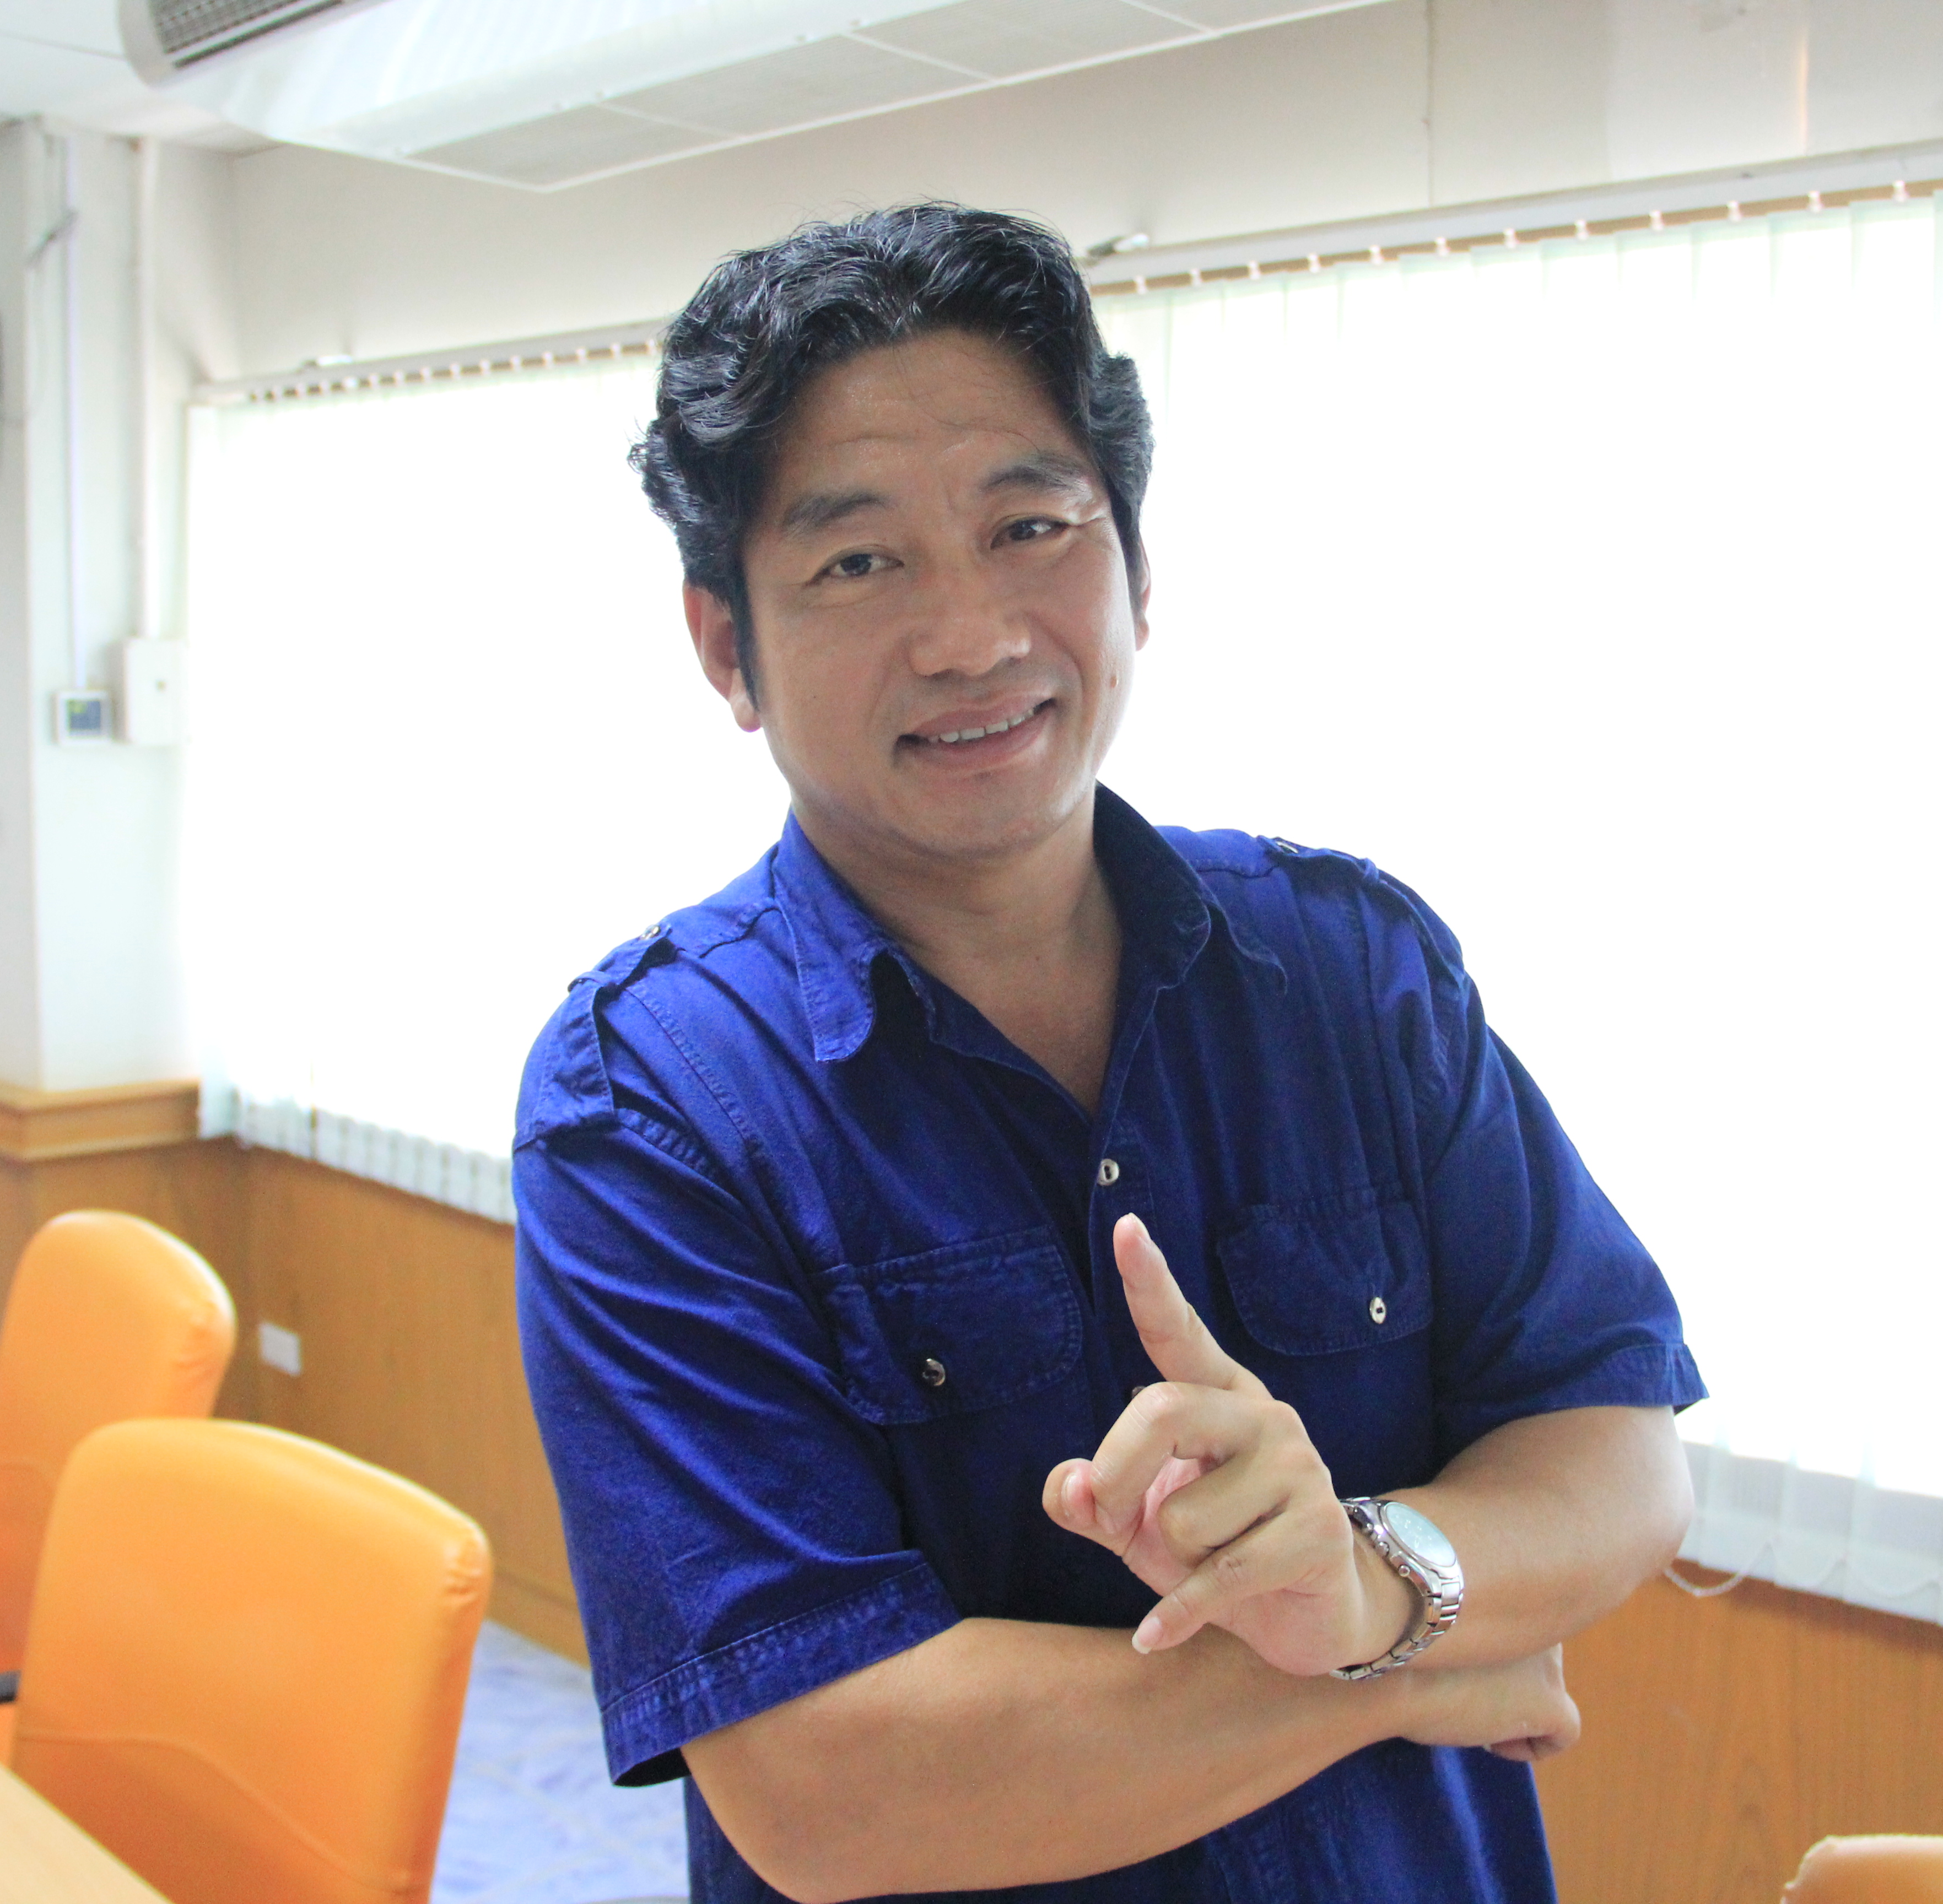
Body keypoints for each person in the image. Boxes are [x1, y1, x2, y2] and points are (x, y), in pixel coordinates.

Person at [512, 203, 1705, 1904]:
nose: (972, 635)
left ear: (1136, 568)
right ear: (728, 648)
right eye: (859, 564)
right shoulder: (648, 1105)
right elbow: (825, 1786)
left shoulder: (1351, 971)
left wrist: (1365, 1583)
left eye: (1030, 527)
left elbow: (1611, 1446)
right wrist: (1411, 1673)